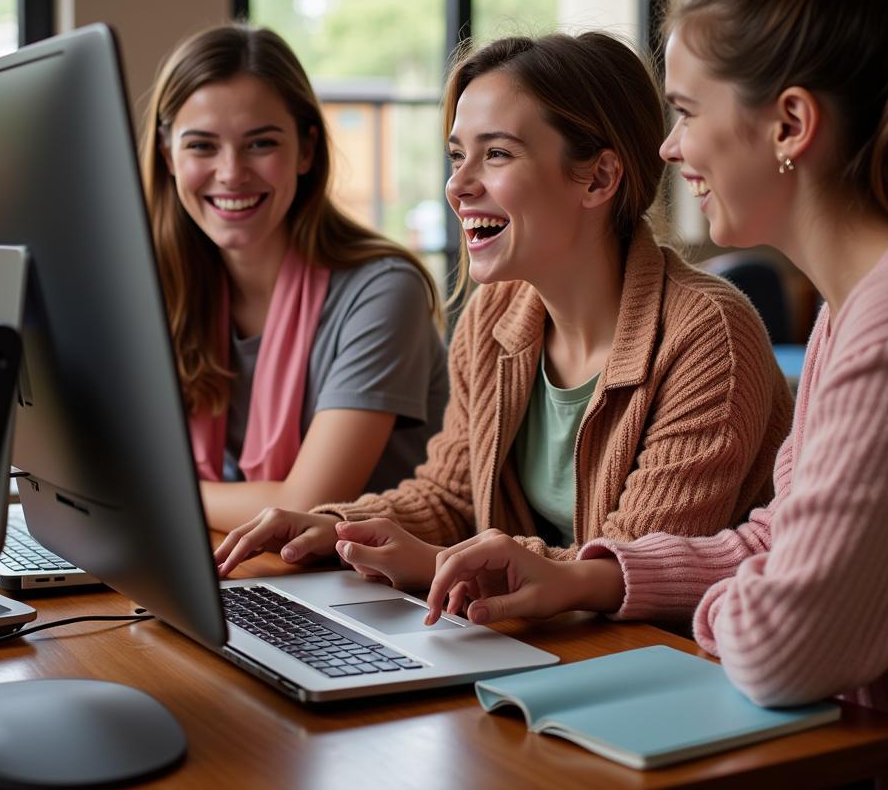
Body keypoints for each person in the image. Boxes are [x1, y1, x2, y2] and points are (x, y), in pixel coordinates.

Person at [424, 0, 888, 790]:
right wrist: (589, 577)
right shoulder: (856, 308)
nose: (667, 150)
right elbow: (779, 539)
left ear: (790, 124)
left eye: (683, 112)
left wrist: (700, 610)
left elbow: (784, 645)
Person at [215, 30, 792, 589]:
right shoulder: (494, 315)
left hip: (675, 661)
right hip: (544, 642)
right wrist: (339, 526)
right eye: (456, 155)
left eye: (495, 154)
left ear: (599, 177)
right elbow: (449, 496)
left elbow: (627, 563)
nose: (457, 185)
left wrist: (441, 561)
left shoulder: (707, 334)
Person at [139, 23, 448, 532]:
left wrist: (143, 490)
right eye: (202, 146)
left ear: (306, 150)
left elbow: (304, 506)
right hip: (253, 570)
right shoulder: (160, 289)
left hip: (380, 592)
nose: (231, 172)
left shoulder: (383, 291)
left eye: (260, 143)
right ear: (168, 154)